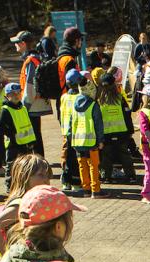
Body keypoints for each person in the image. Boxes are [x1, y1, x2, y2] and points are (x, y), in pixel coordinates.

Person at [12, 30, 51, 157]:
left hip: (31, 105)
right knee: (36, 134)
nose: (15, 45)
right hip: (37, 103)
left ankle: (38, 162)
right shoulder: (37, 58)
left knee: (32, 136)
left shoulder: (30, 61)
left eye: (17, 43)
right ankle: (39, 160)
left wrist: (24, 106)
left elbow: (30, 87)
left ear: (23, 43)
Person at [65, 77, 105, 198]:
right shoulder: (93, 106)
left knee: (82, 165)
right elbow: (98, 124)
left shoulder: (74, 105)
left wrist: (70, 138)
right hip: (92, 141)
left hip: (77, 141)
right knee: (93, 165)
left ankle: (86, 189)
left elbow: (71, 123)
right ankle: (95, 190)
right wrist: (101, 140)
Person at [55, 28, 86, 177]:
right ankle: (70, 175)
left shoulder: (63, 56)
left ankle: (68, 174)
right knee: (70, 141)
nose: (81, 42)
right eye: (81, 39)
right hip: (70, 103)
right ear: (76, 41)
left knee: (68, 140)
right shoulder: (69, 60)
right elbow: (72, 83)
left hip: (64, 102)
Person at [96, 73, 134, 185]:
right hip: (121, 132)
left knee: (106, 156)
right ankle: (131, 176)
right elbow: (127, 115)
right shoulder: (120, 99)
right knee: (125, 155)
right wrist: (130, 130)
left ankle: (106, 177)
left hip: (106, 133)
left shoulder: (98, 101)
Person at [0, 83, 37, 190]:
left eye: (18, 93)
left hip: (25, 142)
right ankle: (10, 186)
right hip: (13, 144)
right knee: (12, 165)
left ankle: (24, 184)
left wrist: (32, 140)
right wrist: (11, 134)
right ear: (7, 95)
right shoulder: (6, 109)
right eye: (13, 94)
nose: (16, 95)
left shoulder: (22, 107)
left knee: (25, 164)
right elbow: (0, 125)